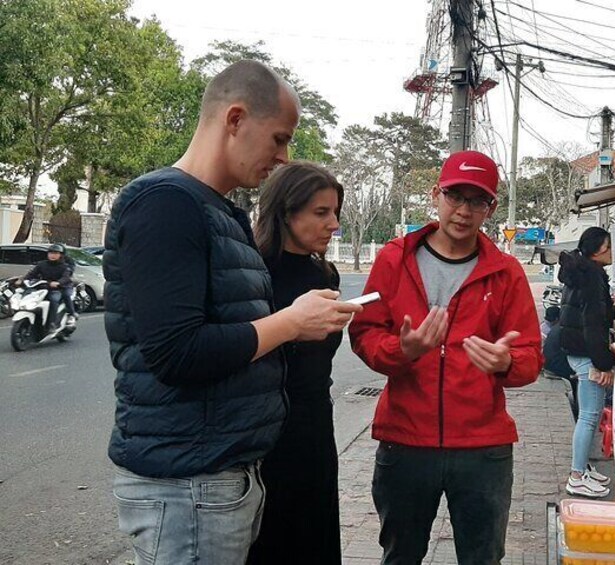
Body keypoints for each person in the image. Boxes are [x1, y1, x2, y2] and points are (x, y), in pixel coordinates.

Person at [103, 60, 361, 565]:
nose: (284, 157)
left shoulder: (220, 211)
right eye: (279, 138)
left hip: (221, 476)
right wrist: (290, 322)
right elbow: (176, 352)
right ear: (236, 119)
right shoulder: (165, 204)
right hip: (186, 485)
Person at [349, 150, 543, 565]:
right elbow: (364, 333)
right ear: (435, 194)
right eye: (455, 196)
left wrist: (504, 362)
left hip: (483, 448)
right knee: (400, 554)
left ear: (490, 208)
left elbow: (530, 355)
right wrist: (404, 350)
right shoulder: (393, 259)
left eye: (477, 201)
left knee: (482, 557)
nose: (463, 210)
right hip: (405, 440)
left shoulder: (506, 271)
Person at [246, 162, 345, 564]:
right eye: (321, 213)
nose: (334, 224)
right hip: (262, 437)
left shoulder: (326, 274)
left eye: (336, 212)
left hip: (315, 429)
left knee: (314, 541)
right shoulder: (252, 274)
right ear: (286, 212)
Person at [558, 227, 615, 499]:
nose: (612, 251)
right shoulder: (592, 276)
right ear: (598, 250)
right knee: (589, 415)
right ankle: (577, 475)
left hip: (577, 349)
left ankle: (583, 469)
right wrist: (604, 364)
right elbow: (593, 324)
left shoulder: (580, 273)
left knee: (588, 414)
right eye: (609, 246)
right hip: (586, 353)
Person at [19, 243, 76, 330]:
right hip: (44, 287)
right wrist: (22, 280)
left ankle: (54, 322)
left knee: (54, 299)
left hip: (59, 288)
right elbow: (32, 274)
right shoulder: (42, 264)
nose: (52, 255)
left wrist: (58, 283)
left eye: (56, 253)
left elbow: (66, 277)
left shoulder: (65, 266)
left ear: (61, 255)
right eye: (51, 253)